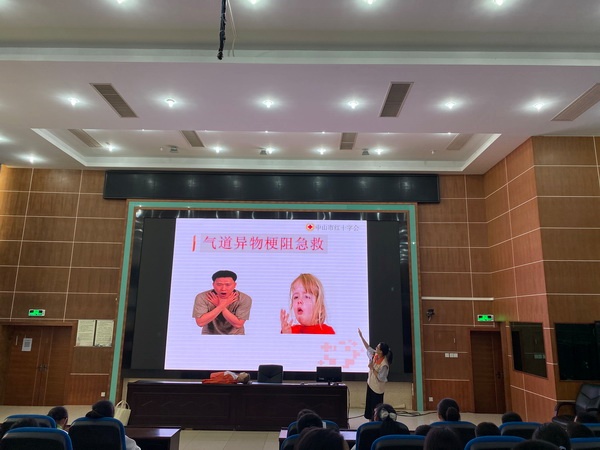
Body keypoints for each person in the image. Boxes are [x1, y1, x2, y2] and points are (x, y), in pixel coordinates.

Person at [192, 270, 252, 335]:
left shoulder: (244, 298)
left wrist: (220, 305)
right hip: (209, 335)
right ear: (213, 284)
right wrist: (222, 305)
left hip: (236, 336)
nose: (223, 288)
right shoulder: (202, 297)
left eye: (228, 285)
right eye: (219, 284)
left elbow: (238, 324)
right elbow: (200, 323)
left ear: (235, 285)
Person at [358, 328, 392, 419]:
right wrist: (361, 336)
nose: (375, 348)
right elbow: (368, 348)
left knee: (376, 408)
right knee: (369, 407)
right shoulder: (375, 355)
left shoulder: (384, 364)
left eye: (377, 347)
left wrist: (372, 368)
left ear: (381, 351)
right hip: (370, 384)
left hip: (377, 389)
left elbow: (381, 378)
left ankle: (376, 422)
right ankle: (370, 421)